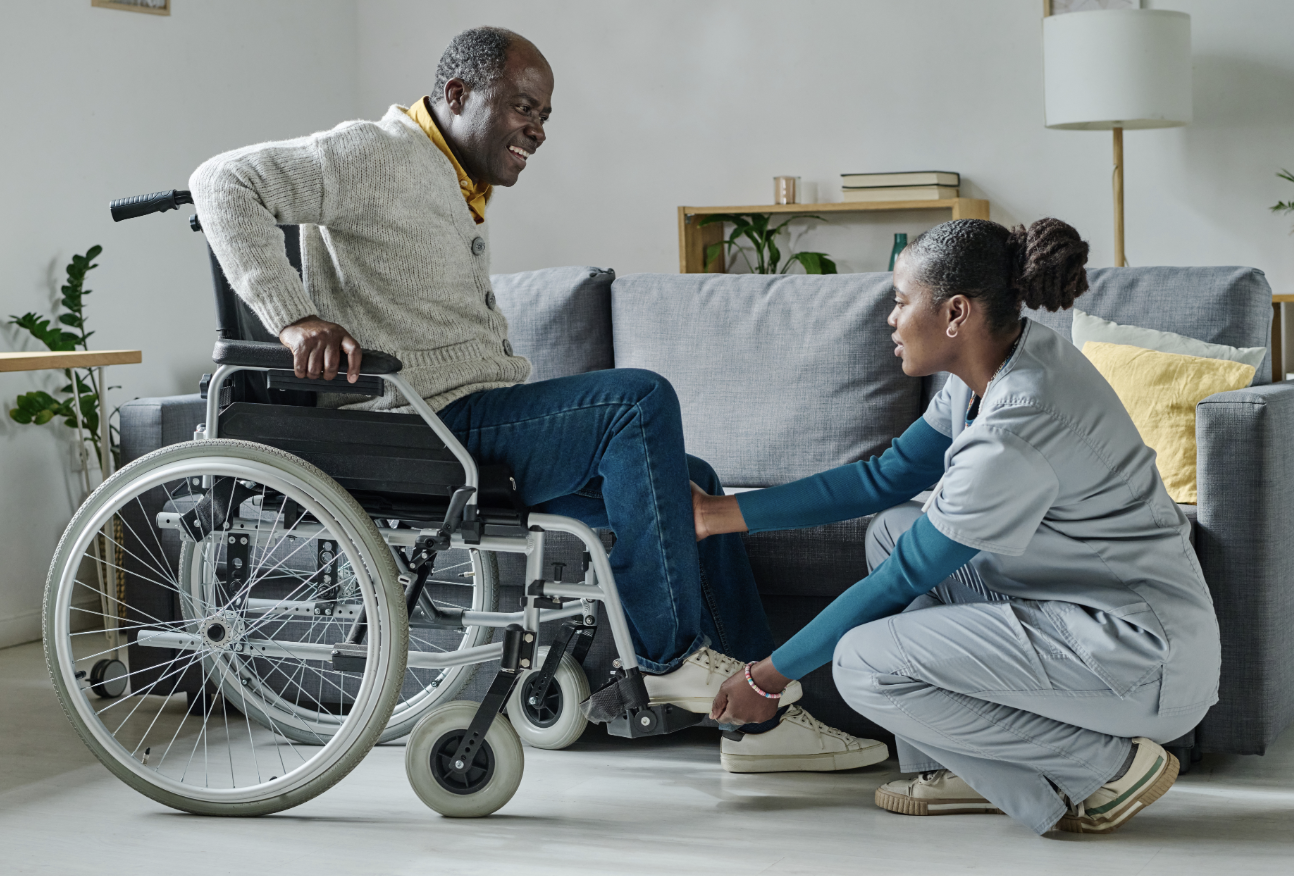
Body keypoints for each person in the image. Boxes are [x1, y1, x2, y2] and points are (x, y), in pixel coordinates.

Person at [190, 25, 882, 772]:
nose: (538, 130)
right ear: (457, 94)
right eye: (524, 107)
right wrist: (294, 318)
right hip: (422, 426)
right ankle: (667, 657)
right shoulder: (372, 152)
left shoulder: (451, 182)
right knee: (636, 400)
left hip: (471, 419)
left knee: (695, 484)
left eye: (545, 115)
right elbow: (222, 181)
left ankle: (758, 721)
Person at [693, 217, 1221, 832]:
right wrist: (718, 514)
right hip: (1088, 613)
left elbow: (903, 579)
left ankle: (1103, 769)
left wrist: (766, 678)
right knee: (891, 527)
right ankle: (965, 771)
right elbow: (885, 477)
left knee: (863, 662)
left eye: (901, 301)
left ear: (955, 313)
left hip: (1141, 656)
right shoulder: (992, 369)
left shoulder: (1017, 423)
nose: (890, 318)